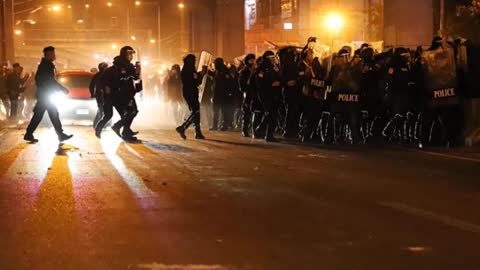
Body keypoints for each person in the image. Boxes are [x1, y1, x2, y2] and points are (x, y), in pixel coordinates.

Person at [24, 46, 73, 143]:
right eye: (53, 54)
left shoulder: (46, 65)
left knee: (42, 115)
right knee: (52, 114)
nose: (55, 56)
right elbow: (50, 81)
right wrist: (62, 89)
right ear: (49, 55)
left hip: (45, 95)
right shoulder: (46, 66)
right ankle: (60, 134)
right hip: (45, 95)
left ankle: (29, 134)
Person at [96, 46, 141, 141]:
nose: (131, 56)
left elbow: (135, 78)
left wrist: (137, 70)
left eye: (132, 54)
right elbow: (107, 79)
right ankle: (119, 128)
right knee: (130, 112)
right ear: (124, 54)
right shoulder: (119, 66)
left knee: (129, 113)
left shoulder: (129, 65)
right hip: (121, 94)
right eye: (129, 54)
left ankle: (126, 131)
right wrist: (106, 90)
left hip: (127, 93)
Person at [176, 54, 206, 140]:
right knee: (195, 112)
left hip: (191, 92)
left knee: (196, 112)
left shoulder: (189, 69)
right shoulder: (187, 70)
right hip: (190, 92)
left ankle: (197, 132)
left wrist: (200, 74)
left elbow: (196, 81)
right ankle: (183, 127)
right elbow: (195, 82)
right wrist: (201, 75)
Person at [255, 51, 282, 142]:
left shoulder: (274, 67)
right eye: (271, 57)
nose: (273, 59)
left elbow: (279, 77)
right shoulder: (262, 68)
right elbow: (259, 82)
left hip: (274, 93)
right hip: (265, 93)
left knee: (272, 114)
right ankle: (265, 131)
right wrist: (271, 84)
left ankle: (266, 132)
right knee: (270, 113)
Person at [210, 58, 233, 131]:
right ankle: (218, 125)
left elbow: (227, 82)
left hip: (221, 94)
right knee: (219, 111)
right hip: (220, 94)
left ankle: (221, 126)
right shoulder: (219, 71)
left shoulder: (224, 71)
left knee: (221, 111)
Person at [238, 53, 256, 137]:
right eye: (251, 60)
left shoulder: (254, 70)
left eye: (253, 59)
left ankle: (251, 129)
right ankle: (245, 130)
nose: (252, 61)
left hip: (253, 93)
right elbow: (242, 85)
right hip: (247, 94)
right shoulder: (244, 71)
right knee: (247, 112)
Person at [90, 62, 108, 129]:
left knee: (103, 110)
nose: (107, 68)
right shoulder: (97, 76)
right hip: (99, 96)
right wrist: (92, 94)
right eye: (105, 67)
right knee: (101, 110)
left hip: (106, 96)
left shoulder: (108, 75)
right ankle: (98, 125)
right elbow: (91, 85)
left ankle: (98, 124)